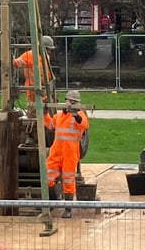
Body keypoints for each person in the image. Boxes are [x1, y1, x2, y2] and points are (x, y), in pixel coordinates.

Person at [46, 90, 89, 218]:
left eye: (74, 102)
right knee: (48, 177)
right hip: (56, 151)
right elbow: (49, 124)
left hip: (70, 152)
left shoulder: (80, 115)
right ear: (66, 101)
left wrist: (76, 115)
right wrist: (43, 112)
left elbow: (84, 124)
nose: (71, 104)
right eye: (70, 101)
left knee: (68, 180)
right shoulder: (59, 115)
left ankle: (68, 209)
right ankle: (53, 202)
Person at [13, 35, 56, 117]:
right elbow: (17, 63)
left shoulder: (46, 57)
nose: (49, 52)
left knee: (46, 114)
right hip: (32, 91)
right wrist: (11, 59)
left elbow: (48, 73)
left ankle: (44, 127)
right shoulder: (29, 55)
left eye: (49, 50)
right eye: (47, 49)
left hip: (44, 90)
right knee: (34, 114)